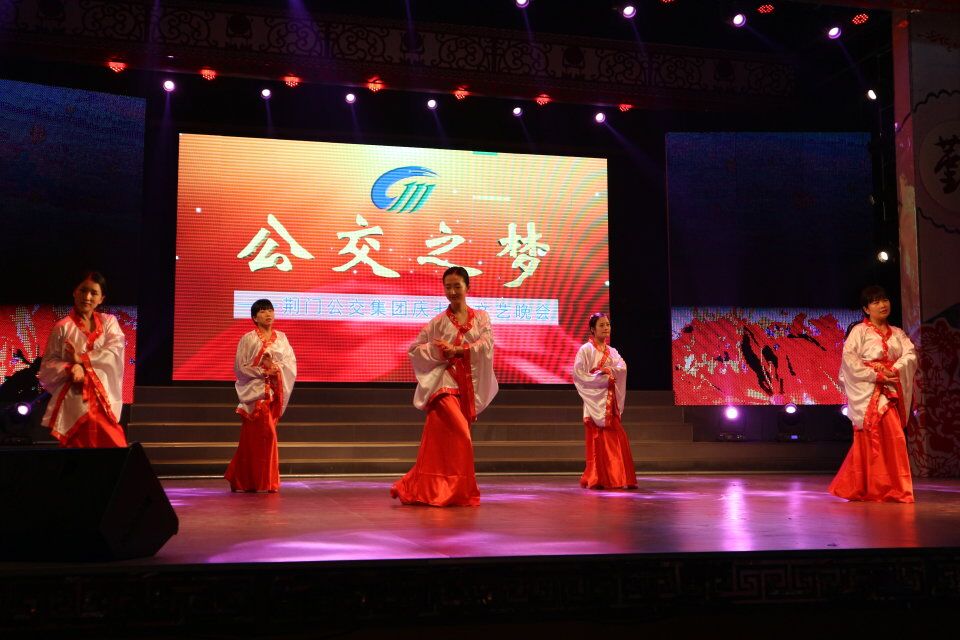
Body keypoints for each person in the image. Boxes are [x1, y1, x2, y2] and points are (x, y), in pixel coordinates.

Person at [391, 266, 498, 506]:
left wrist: (459, 350)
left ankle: (437, 489)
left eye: (457, 286)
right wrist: (439, 351)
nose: (452, 292)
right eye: (448, 287)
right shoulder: (438, 322)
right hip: (443, 386)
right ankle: (452, 490)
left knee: (444, 445)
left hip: (466, 387)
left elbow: (487, 343)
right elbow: (415, 350)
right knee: (462, 436)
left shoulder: (481, 317)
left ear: (467, 287)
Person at [829, 285, 917, 503]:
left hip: (891, 386)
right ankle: (880, 488)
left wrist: (894, 369)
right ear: (866, 309)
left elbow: (910, 355)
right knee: (879, 438)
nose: (882, 305)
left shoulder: (898, 333)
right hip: (869, 391)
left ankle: (889, 488)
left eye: (885, 300)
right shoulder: (859, 332)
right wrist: (875, 375)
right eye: (876, 302)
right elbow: (850, 361)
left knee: (894, 439)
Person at [38, 272, 127, 448]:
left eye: (94, 293)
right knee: (78, 452)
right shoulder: (63, 327)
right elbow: (48, 365)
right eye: (83, 290)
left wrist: (81, 359)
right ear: (74, 292)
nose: (87, 297)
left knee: (115, 445)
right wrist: (70, 368)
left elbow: (115, 351)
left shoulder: (109, 322)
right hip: (75, 400)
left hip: (103, 399)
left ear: (101, 299)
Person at [225, 299, 296, 493]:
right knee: (266, 436)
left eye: (270, 310)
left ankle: (242, 479)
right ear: (254, 317)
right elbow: (240, 368)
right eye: (263, 311)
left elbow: (290, 364)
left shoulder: (282, 338)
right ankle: (265, 481)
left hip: (274, 392)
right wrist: (263, 370)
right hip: (255, 394)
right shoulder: (248, 339)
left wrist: (274, 368)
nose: (268, 314)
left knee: (253, 440)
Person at [573, 312, 637, 490]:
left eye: (607, 324)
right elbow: (578, 375)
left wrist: (610, 371)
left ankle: (619, 477)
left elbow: (622, 367)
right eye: (601, 325)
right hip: (594, 401)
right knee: (597, 439)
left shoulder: (613, 351)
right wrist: (601, 378)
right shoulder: (586, 350)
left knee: (617, 436)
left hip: (609, 402)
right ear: (592, 329)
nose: (606, 328)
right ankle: (598, 478)